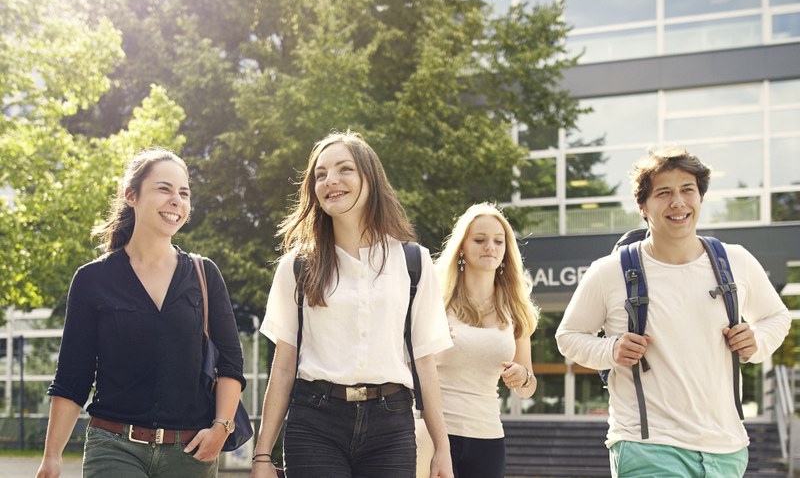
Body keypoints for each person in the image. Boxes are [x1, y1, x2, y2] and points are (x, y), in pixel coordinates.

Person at [555, 147, 791, 478]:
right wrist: (611, 349)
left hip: (727, 448)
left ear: (700, 198)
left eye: (687, 190)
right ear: (643, 207)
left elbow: (776, 318)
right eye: (664, 193)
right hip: (646, 445)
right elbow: (568, 337)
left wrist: (757, 342)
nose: (677, 202)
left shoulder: (736, 261)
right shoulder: (609, 271)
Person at [249, 130, 454, 478]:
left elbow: (424, 362)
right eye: (320, 174)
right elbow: (283, 365)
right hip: (315, 422)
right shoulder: (296, 266)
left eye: (345, 169)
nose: (331, 180)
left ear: (370, 179)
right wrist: (262, 456)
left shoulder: (413, 262)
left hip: (391, 425)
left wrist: (442, 449)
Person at [36, 148, 246, 478]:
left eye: (184, 192)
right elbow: (72, 377)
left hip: (190, 453)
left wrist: (221, 427)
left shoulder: (204, 274)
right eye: (164, 188)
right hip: (114, 447)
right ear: (131, 195)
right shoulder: (93, 279)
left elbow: (231, 362)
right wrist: (52, 457)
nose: (176, 200)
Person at [416, 202, 539, 478]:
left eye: (498, 241)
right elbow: (408, 363)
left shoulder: (516, 309)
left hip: (488, 436)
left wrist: (523, 377)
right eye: (480, 240)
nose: (490, 247)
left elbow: (528, 387)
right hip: (434, 435)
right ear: (462, 247)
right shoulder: (437, 301)